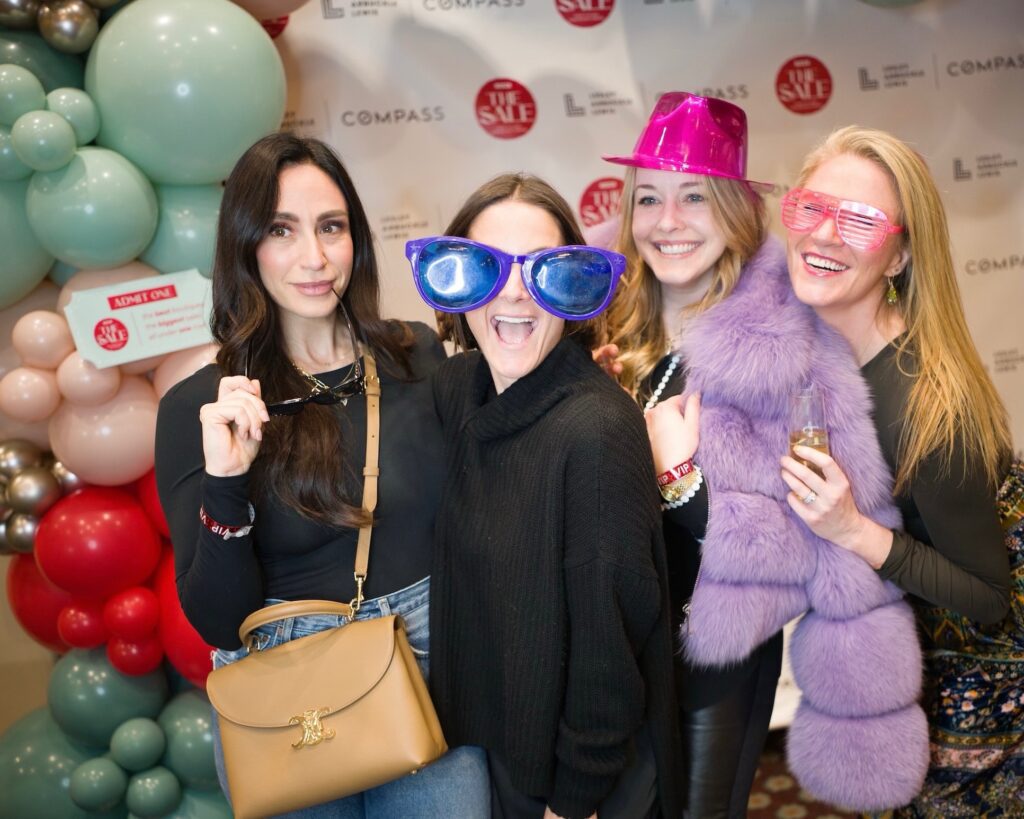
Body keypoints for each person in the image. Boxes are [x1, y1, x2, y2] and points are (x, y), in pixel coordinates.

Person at [599, 93, 929, 814]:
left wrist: (685, 484)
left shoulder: (788, 344)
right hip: (606, 649)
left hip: (711, 658)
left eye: (694, 195)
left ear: (735, 208)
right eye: (648, 197)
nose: (667, 221)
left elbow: (818, 544)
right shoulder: (601, 324)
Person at [154, 133, 489, 817]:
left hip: (427, 670)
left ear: (356, 239)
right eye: (282, 230)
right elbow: (220, 620)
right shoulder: (201, 404)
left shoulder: (414, 355)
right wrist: (226, 483)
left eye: (331, 227)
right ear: (245, 245)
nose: (314, 257)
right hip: (282, 698)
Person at [406, 173, 682, 819]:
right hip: (482, 754)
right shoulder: (457, 388)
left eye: (541, 271)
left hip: (569, 784)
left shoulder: (596, 429)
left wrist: (573, 798)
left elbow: (608, 647)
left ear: (575, 286)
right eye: (488, 267)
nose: (513, 293)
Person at [777, 125, 1020, 816]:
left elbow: (988, 597)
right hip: (902, 682)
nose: (823, 235)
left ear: (900, 255)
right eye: (811, 208)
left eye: (859, 221)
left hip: (979, 712)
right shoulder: (822, 351)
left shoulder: (925, 403)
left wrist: (852, 530)